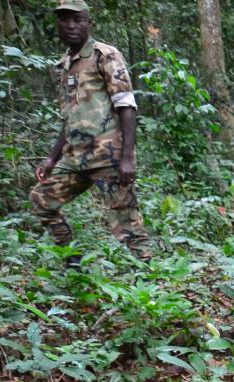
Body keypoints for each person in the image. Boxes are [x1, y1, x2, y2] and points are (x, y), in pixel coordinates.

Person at [30, 0, 153, 262]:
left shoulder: (104, 55)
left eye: (78, 19)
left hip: (108, 157)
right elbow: (70, 116)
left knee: (126, 223)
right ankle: (73, 262)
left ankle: (149, 281)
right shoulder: (63, 66)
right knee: (42, 198)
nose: (71, 25)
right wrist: (52, 158)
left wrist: (128, 157)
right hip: (75, 158)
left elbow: (126, 106)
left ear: (89, 23)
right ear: (57, 24)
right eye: (64, 19)